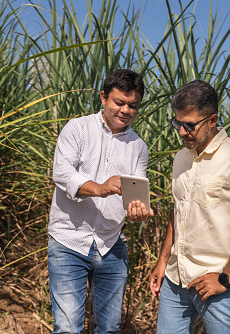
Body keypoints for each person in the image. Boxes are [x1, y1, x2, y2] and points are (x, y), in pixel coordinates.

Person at [150, 80, 230, 333]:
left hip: (218, 283)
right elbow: (178, 210)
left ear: (212, 120)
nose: (182, 131)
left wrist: (226, 277)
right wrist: (163, 261)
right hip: (175, 279)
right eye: (177, 123)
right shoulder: (181, 157)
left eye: (190, 125)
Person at [47, 69, 152, 334]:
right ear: (103, 97)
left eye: (133, 105)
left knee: (109, 328)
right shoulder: (78, 128)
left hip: (112, 244)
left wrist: (137, 211)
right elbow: (62, 173)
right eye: (119, 102)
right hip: (68, 240)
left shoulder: (139, 147)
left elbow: (135, 192)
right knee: (68, 327)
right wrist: (101, 188)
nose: (125, 110)